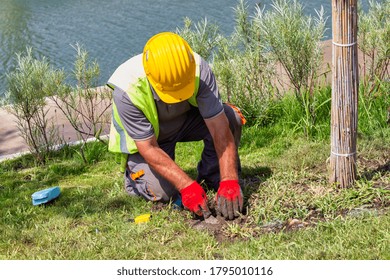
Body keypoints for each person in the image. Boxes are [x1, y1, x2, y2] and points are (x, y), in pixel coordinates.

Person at [107, 32, 245, 220]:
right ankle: (135, 178)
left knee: (230, 118)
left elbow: (219, 128)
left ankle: (212, 177)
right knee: (164, 194)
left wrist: (229, 180)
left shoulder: (197, 68)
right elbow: (148, 147)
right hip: (151, 139)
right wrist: (186, 186)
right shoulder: (127, 90)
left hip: (186, 121)